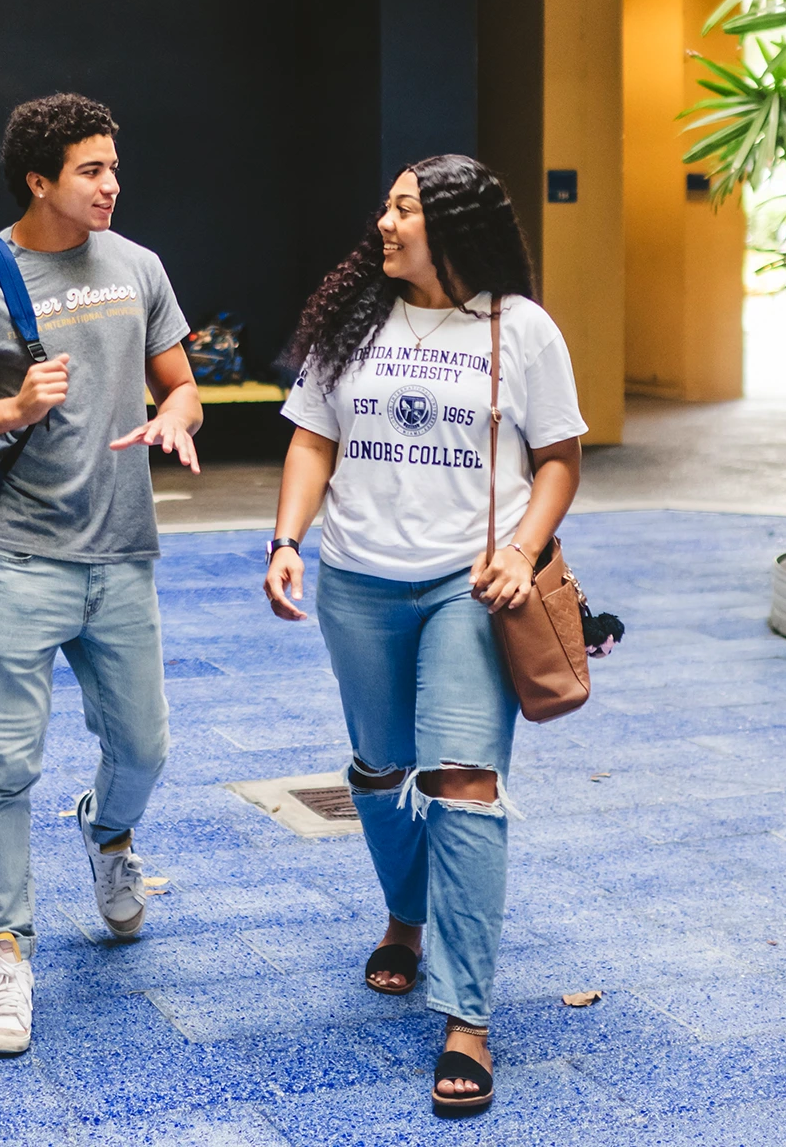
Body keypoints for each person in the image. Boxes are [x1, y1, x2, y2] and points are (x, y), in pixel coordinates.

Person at [262, 155, 586, 1115]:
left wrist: (524, 553)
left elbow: (558, 459)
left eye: (403, 208)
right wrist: (288, 540)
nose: (385, 222)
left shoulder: (519, 330)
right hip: (358, 582)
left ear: (451, 225)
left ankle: (467, 1017)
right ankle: (405, 913)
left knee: (464, 786)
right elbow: (313, 437)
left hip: (469, 586)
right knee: (377, 768)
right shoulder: (356, 319)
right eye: (389, 205)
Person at [0, 93, 202, 1056]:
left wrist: (180, 414)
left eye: (114, 167)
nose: (113, 185)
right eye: (91, 171)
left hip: (122, 556)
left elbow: (179, 378)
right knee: (5, 764)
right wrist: (8, 411)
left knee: (144, 748)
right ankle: (6, 958)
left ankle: (108, 839)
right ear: (40, 180)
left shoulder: (137, 266)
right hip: (20, 558)